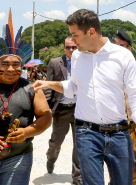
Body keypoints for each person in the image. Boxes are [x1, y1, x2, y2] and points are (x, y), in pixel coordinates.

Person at [32, 9, 136, 185]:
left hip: (119, 133)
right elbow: (73, 87)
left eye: (75, 35)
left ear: (91, 32)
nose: (72, 41)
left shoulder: (123, 56)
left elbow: (134, 94)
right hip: (86, 132)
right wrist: (49, 84)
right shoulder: (78, 56)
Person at [0, 8, 52, 185]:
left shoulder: (32, 88)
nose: (11, 69)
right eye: (5, 64)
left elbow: (46, 116)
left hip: (19, 157)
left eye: (16, 64)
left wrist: (27, 132)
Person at [44, 36, 82, 184]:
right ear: (64, 47)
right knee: (56, 140)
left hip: (80, 109)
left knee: (79, 143)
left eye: (74, 47)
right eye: (68, 47)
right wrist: (47, 109)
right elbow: (48, 85)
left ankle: (77, 177)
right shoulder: (55, 62)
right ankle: (50, 158)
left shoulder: (85, 61)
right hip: (61, 109)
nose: (71, 50)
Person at [112, 30, 136, 184]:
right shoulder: (108, 69)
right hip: (116, 124)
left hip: (133, 123)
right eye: (118, 46)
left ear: (130, 49)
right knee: (117, 163)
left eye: (124, 46)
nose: (121, 49)